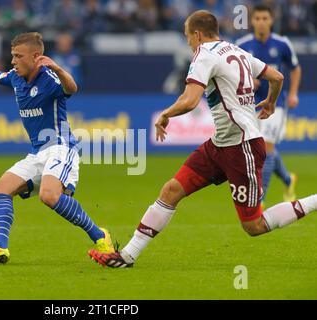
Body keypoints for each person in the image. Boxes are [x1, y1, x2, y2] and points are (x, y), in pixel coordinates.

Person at [88, 10, 317, 268]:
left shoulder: (203, 55)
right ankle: (127, 256)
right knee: (171, 190)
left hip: (243, 147)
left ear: (197, 35)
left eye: (187, 36)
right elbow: (277, 77)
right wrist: (272, 102)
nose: (188, 42)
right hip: (220, 144)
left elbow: (189, 100)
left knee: (254, 225)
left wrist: (165, 114)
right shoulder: (236, 50)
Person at [0, 32, 114, 264]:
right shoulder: (16, 77)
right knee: (1, 189)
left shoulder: (50, 79)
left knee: (48, 196)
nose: (13, 61)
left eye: (18, 56)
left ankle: (99, 235)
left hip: (61, 148)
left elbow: (71, 88)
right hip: (38, 152)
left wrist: (59, 69)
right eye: (12, 55)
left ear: (36, 56)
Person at [236, 4, 301, 205]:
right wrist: (248, 81)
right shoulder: (242, 44)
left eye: (265, 18)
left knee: (267, 148)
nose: (261, 22)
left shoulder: (282, 44)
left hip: (276, 104)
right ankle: (289, 179)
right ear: (252, 21)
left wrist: (293, 94)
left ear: (271, 21)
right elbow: (234, 72)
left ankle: (259, 199)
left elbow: (295, 68)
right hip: (251, 105)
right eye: (258, 18)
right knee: (261, 148)